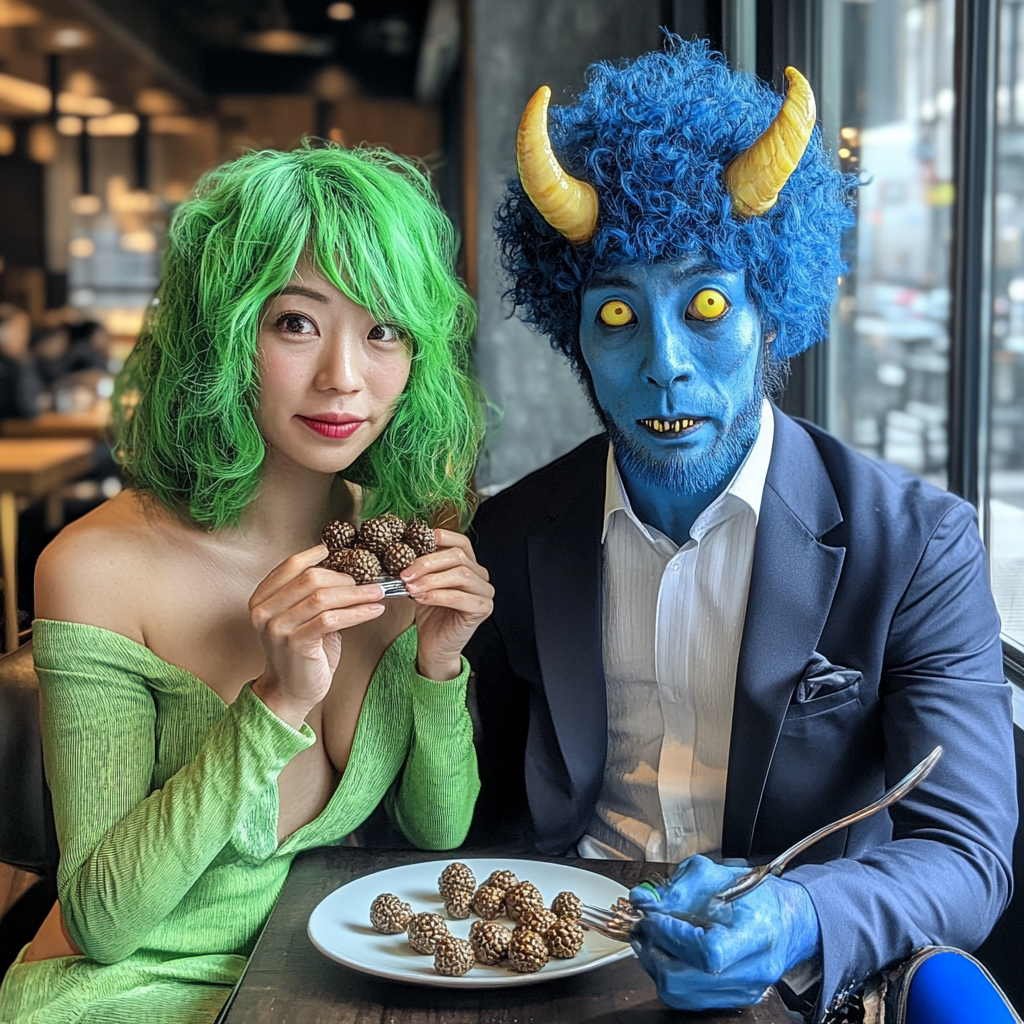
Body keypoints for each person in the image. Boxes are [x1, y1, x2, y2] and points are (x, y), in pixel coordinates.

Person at [467, 39, 1018, 1022]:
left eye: (707, 302)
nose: (664, 362)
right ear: (574, 334)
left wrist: (799, 913)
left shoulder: (918, 544)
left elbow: (967, 854)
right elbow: (474, 803)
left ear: (772, 311)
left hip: (798, 982)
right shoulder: (510, 534)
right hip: (555, 969)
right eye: (618, 313)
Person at [0, 144, 492, 1024]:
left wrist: (437, 668)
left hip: (311, 981)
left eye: (384, 329)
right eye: (296, 323)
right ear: (224, 334)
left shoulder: (406, 544)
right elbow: (102, 921)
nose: (344, 374)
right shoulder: (98, 568)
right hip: (124, 994)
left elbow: (439, 831)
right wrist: (275, 702)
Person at [0, 304, 43, 420]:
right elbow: (27, 409)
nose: (25, 337)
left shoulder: (18, 363)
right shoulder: (12, 366)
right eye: (20, 330)